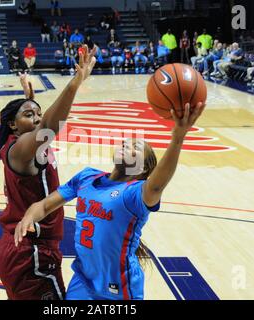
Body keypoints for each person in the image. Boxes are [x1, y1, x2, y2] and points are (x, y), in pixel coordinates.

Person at [15, 102, 206, 300]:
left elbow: (157, 185)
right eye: (125, 143)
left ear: (143, 169)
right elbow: (45, 205)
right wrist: (29, 216)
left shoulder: (134, 194)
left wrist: (178, 138)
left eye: (135, 148)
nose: (126, 145)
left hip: (119, 288)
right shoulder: (86, 177)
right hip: (83, 280)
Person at [0, 45, 97, 300]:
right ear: (12, 124)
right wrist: (75, 83)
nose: (36, 117)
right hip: (31, 255)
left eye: (38, 113)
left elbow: (38, 123)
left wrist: (28, 95)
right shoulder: (21, 149)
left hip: (21, 249)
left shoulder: (16, 143)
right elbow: (47, 127)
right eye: (29, 114)